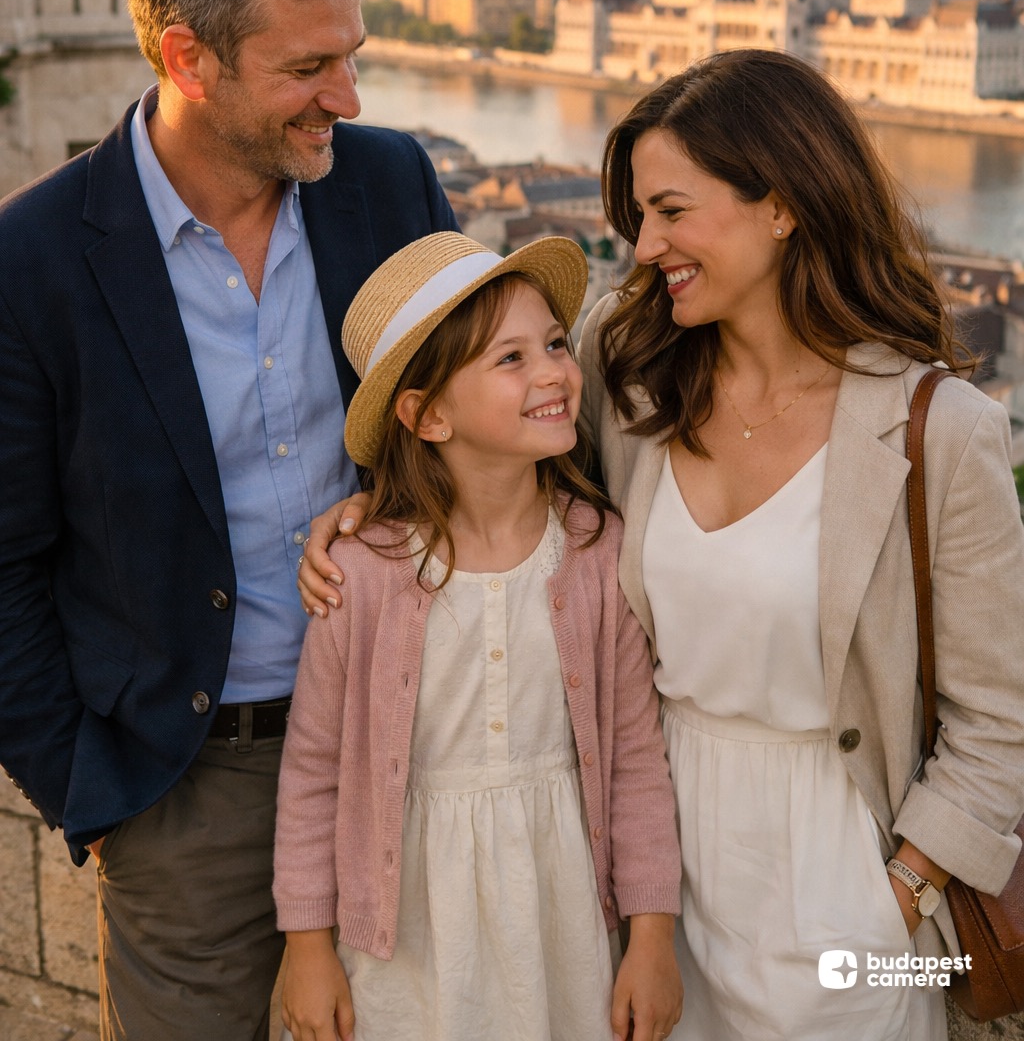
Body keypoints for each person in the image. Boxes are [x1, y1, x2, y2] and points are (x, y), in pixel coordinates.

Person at [301, 50, 1024, 1040]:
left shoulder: (940, 431)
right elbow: (491, 465)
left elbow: (998, 722)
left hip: (840, 873)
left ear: (782, 203)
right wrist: (372, 515)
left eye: (671, 211)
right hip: (647, 878)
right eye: (638, 216)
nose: (644, 246)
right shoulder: (620, 368)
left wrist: (892, 892)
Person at [0, 0, 458, 1041]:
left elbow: (470, 420)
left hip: (407, 742)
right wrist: (97, 796)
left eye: (351, 54)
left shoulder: (392, 183)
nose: (346, 98)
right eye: (307, 69)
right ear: (187, 57)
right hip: (189, 785)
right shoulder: (35, 259)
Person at [274, 231, 683, 1041]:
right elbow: (314, 774)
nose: (554, 373)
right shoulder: (360, 575)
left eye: (557, 345)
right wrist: (307, 946)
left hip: (559, 917)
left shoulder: (599, 552)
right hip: (406, 939)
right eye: (509, 359)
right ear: (425, 414)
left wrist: (653, 937)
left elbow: (637, 760)